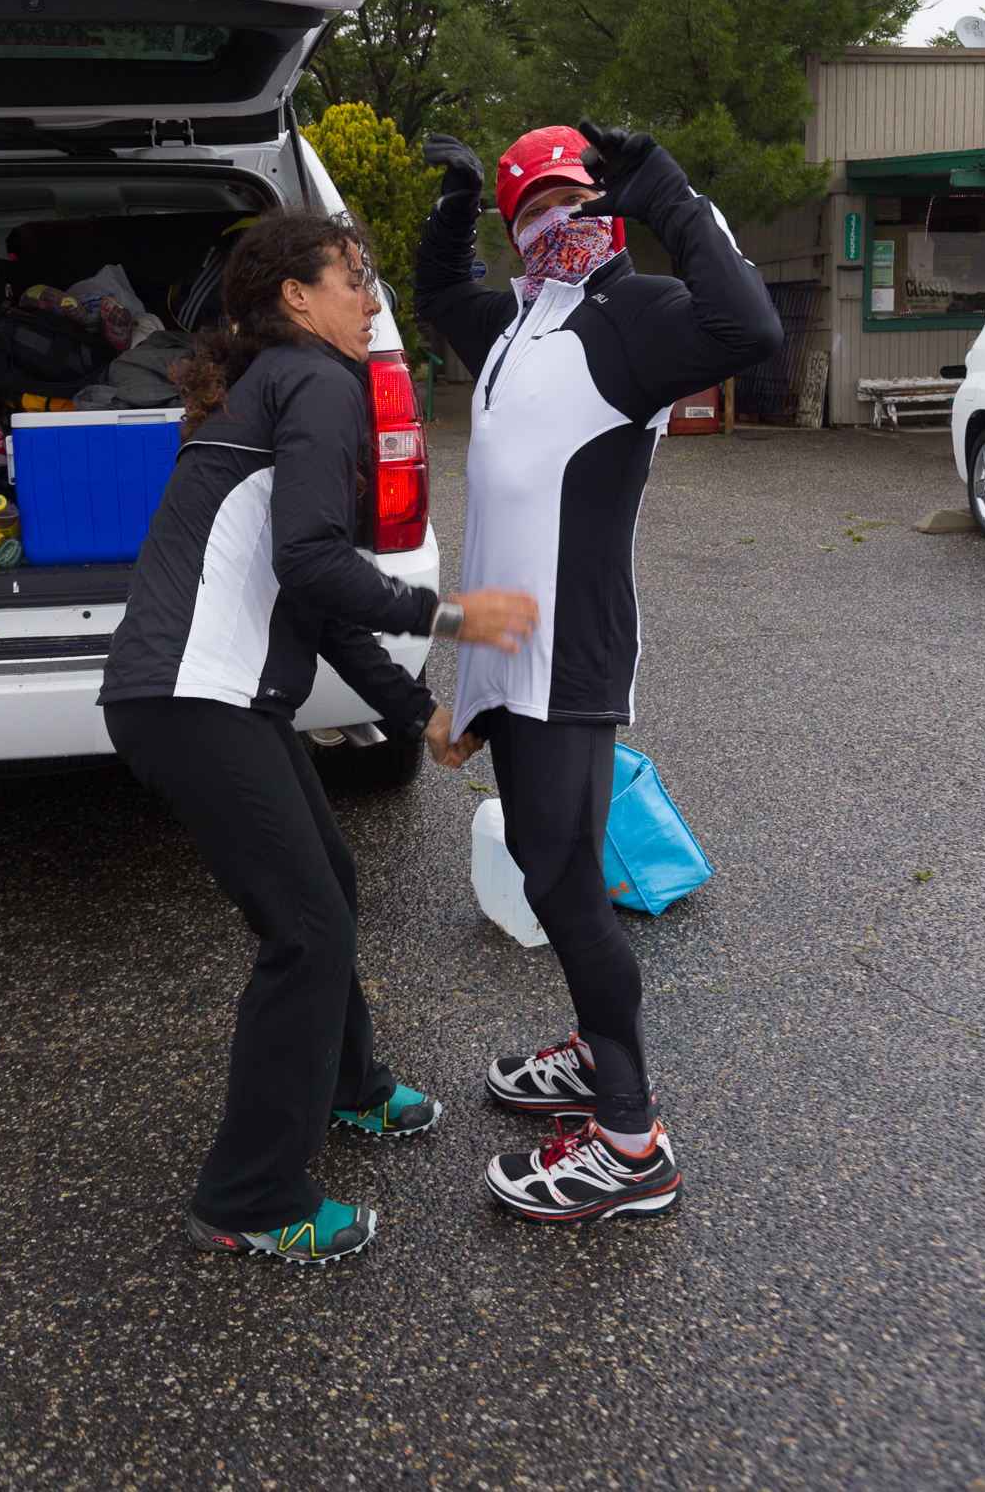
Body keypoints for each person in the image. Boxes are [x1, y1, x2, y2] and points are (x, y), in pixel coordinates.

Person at [100, 209, 537, 1264]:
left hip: (210, 697)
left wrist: (415, 708)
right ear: (295, 296)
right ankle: (248, 1196)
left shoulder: (278, 385)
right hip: (191, 696)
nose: (370, 299)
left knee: (327, 887)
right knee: (306, 930)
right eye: (353, 278)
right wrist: (448, 615)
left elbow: (314, 603)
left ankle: (347, 1086)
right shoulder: (319, 383)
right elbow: (311, 563)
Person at [415, 120, 783, 1224]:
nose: (553, 224)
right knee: (542, 865)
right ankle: (591, 1049)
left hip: (568, 647)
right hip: (503, 649)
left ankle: (631, 1144)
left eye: (572, 198)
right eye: (530, 211)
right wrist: (456, 204)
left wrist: (664, 189)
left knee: (569, 881)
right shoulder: (523, 316)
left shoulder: (635, 316)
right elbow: (442, 295)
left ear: (604, 201)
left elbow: (750, 322)